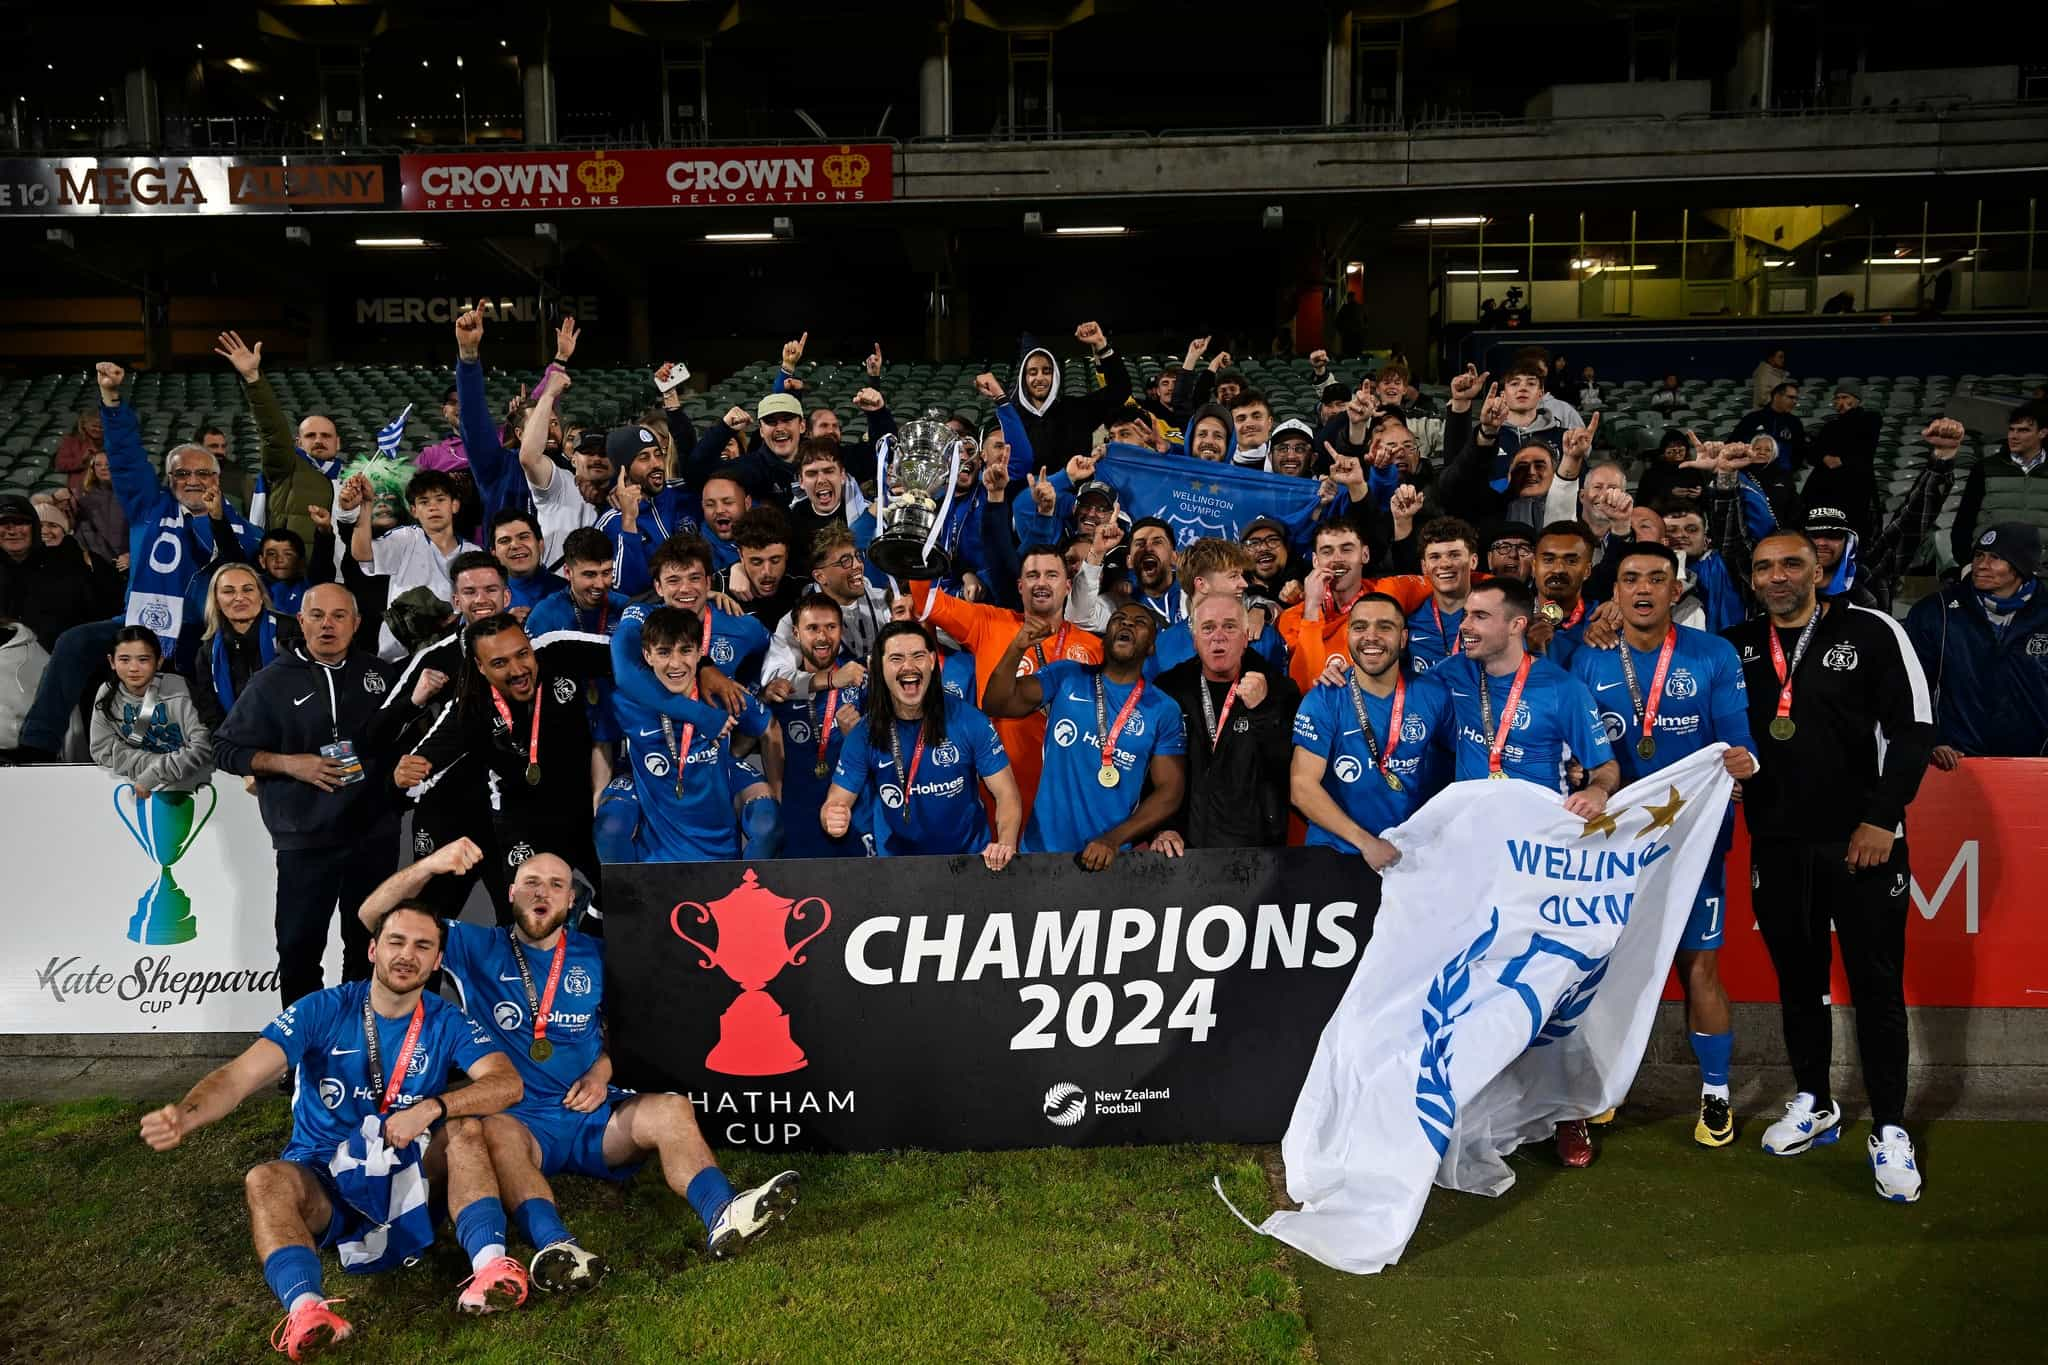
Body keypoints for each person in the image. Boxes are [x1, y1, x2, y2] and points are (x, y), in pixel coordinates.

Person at [357, 842, 799, 1285]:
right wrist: (433, 865)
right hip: (520, 1118)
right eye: (530, 883)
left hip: (593, 1115)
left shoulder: (598, 952)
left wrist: (602, 1071)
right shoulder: (475, 945)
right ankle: (557, 1247)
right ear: (510, 893)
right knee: (495, 1134)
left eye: (556, 884)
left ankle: (724, 1213)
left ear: (572, 899)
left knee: (671, 1108)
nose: (541, 893)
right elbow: (375, 916)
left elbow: (630, 1027)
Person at [138, 901, 530, 1357]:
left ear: (438, 960)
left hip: (411, 1174)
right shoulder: (323, 1009)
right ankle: (307, 1310)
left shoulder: (447, 1020)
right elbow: (240, 1076)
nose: (407, 955)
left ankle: (491, 1269)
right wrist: (185, 1115)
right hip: (327, 1176)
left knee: (464, 1131)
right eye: (396, 942)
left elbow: (507, 1083)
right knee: (265, 1180)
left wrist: (433, 1107)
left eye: (423, 946)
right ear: (372, 950)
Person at [1725, 531, 1935, 1201]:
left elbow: (1913, 731)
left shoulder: (1871, 630)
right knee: (1799, 980)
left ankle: (1892, 1126)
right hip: (1779, 844)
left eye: (1791, 563)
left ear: (1819, 568)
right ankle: (1814, 1099)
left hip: (1861, 841)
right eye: (1764, 567)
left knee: (1876, 985)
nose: (1777, 576)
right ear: (1752, 579)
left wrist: (1883, 817)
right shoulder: (1737, 645)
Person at [1569, 544, 1759, 1151]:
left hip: (1692, 845)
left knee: (1699, 966)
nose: (1644, 589)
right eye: (1631, 579)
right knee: (1604, 966)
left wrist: (1743, 762)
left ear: (1677, 591)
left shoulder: (1714, 653)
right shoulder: (1586, 658)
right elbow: (1577, 750)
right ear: (1614, 594)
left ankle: (1716, 1092)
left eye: (1657, 578)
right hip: (1615, 849)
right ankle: (1601, 1090)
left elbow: (1743, 742)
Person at [214, 584, 415, 1006]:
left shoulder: (382, 676)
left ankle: (360, 1045)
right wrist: (289, 764)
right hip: (306, 838)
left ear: (357, 624)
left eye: (339, 616)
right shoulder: (270, 683)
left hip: (372, 834)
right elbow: (225, 749)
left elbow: (408, 738)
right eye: (318, 615)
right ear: (301, 622)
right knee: (299, 948)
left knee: (368, 947)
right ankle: (301, 1053)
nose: (328, 625)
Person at [402, 613, 615, 924]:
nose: (518, 670)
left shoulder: (557, 649)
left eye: (523, 654)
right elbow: (418, 763)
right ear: (480, 666)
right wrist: (404, 773)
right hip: (522, 822)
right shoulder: (471, 705)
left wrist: (703, 667)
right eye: (500, 663)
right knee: (523, 919)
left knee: (617, 898)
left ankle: (585, 921)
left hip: (582, 811)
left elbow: (639, 648)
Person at [984, 602, 1186, 865]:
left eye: (1140, 623)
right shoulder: (1067, 675)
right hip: (1041, 851)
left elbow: (1170, 791)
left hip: (1111, 860)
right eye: (1119, 618)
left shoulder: (1163, 709)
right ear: (1105, 636)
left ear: (1151, 647)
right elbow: (996, 703)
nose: (1126, 623)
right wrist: (1017, 647)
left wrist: (1113, 839)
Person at [909, 546, 1105, 813]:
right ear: (1020, 586)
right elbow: (926, 604)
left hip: (1068, 794)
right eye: (1033, 576)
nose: (1041, 583)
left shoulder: (1094, 648)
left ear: (1068, 585)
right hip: (999, 791)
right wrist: (917, 547)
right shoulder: (988, 622)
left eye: (1051, 575)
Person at [824, 619, 1019, 864]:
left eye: (917, 656)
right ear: (879, 667)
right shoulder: (864, 733)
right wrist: (832, 816)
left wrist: (1006, 843)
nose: (908, 666)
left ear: (931, 661)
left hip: (969, 861)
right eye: (896, 658)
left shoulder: (970, 721)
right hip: (899, 866)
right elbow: (836, 801)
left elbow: (1006, 793)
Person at [605, 604, 781, 863]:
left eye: (685, 651)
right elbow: (599, 742)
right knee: (608, 827)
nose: (675, 664)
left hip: (720, 854)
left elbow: (769, 727)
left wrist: (776, 794)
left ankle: (747, 892)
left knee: (768, 822)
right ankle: (626, 899)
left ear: (700, 653)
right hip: (656, 860)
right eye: (664, 652)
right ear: (647, 655)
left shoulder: (724, 695)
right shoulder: (626, 702)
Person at [1291, 592, 1449, 869]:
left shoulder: (1433, 695)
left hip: (1410, 856)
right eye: (1360, 627)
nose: (1371, 636)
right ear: (1349, 635)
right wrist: (1365, 842)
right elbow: (1302, 787)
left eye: (1385, 627)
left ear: (1403, 638)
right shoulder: (1324, 698)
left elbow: (1462, 763)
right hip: (1336, 852)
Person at [1153, 592, 1299, 849]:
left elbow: (1290, 772)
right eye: (1208, 628)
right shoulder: (1168, 689)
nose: (1218, 636)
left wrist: (1262, 712)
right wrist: (1163, 827)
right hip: (1183, 851)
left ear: (1245, 638)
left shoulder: (1279, 689)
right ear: (1195, 640)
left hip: (1258, 854)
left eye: (1229, 626)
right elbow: (1150, 769)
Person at [1906, 522, 2048, 765]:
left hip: (2033, 767)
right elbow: (1910, 687)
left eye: (1996, 558)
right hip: (1953, 763)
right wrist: (1929, 740)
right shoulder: (1935, 612)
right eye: (1979, 555)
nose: (1981, 565)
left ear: (2021, 565)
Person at [1274, 515, 1429, 699]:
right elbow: (1306, 686)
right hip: (1329, 716)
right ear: (1315, 561)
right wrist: (1312, 608)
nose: (1337, 559)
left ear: (1365, 555)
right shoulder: (1293, 617)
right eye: (1327, 551)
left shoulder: (1390, 590)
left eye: (1346, 550)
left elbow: (1445, 580)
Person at [215, 331, 337, 552]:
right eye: (311, 436)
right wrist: (254, 380)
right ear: (298, 442)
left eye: (326, 435)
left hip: (335, 577)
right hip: (287, 573)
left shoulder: (354, 480)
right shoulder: (286, 466)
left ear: (338, 443)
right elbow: (273, 432)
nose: (319, 440)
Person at [772, 596, 874, 859]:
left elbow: (890, 752)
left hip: (854, 813)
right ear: (795, 633)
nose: (822, 637)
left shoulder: (863, 680)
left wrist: (856, 737)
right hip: (797, 817)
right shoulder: (779, 688)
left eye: (831, 627)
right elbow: (744, 743)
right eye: (812, 628)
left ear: (843, 629)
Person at [90, 625, 214, 796]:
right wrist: (156, 766)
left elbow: (203, 746)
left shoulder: (179, 691)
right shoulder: (106, 693)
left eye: (143, 660)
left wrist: (155, 774)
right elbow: (101, 750)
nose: (133, 668)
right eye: (124, 660)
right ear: (112, 662)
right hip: (146, 781)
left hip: (196, 785)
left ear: (159, 661)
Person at [764, 527, 889, 695]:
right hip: (832, 711)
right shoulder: (800, 620)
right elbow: (773, 680)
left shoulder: (885, 601)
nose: (858, 565)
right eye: (845, 561)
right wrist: (831, 679)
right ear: (820, 577)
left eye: (857, 557)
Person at [1145, 538, 1288, 680]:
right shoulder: (1162, 646)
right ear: (1202, 585)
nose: (1244, 584)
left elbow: (1284, 698)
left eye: (1242, 576)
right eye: (1233, 576)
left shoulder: (1264, 637)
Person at [1006, 322, 1133, 472]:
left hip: (1078, 495)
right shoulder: (1012, 420)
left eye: (1046, 371)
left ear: (1056, 375)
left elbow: (1120, 390)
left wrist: (1101, 344)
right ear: (1023, 378)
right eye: (1033, 372)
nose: (1040, 378)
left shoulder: (1077, 410)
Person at [597, 420, 700, 597]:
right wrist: (629, 521)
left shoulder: (682, 494)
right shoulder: (612, 521)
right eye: (644, 457)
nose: (656, 464)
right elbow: (625, 589)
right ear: (624, 470)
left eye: (658, 454)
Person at [191, 564, 289, 730]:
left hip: (291, 736)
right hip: (237, 739)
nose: (239, 597)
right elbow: (210, 710)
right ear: (216, 601)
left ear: (261, 595)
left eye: (248, 589)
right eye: (229, 591)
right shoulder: (207, 652)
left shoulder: (291, 633)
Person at [1950, 401, 2047, 561]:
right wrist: (1966, 563)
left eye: (2023, 430)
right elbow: (1964, 522)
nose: (2014, 436)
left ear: (2042, 433)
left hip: (2042, 567)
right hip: (1991, 566)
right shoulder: (1985, 468)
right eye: (2011, 429)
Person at [1801, 381, 1882, 535]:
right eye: (1837, 399)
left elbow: (1865, 449)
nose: (1840, 402)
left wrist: (1842, 460)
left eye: (1845, 397)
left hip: (1855, 486)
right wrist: (1824, 458)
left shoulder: (1870, 419)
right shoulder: (1830, 426)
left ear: (1857, 399)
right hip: (1826, 488)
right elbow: (1813, 453)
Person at [1406, 518, 1481, 674]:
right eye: (1435, 557)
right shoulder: (1409, 621)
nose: (1445, 564)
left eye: (1454, 555)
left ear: (1473, 561)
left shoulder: (1494, 616)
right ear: (1424, 566)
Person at [1526, 522, 1601, 668]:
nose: (1558, 569)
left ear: (1587, 570)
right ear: (1534, 567)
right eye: (1548, 560)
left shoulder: (1601, 619)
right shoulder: (1512, 620)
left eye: (1571, 561)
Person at [725, 508, 804, 630]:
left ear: (787, 553)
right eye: (756, 562)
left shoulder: (802, 586)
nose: (767, 571)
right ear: (740, 555)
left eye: (775, 560)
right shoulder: (720, 588)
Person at [488, 509, 554, 613]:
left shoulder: (570, 592)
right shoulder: (483, 599)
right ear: (494, 554)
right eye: (505, 541)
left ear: (540, 545)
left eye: (523, 537)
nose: (515, 545)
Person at [1731, 383, 1807, 470]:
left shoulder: (1795, 423)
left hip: (1782, 476)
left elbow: (1799, 451)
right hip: (1751, 474)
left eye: (1796, 399)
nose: (1795, 402)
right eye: (1791, 397)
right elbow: (1734, 443)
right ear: (1776, 396)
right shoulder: (1752, 418)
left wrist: (1790, 470)